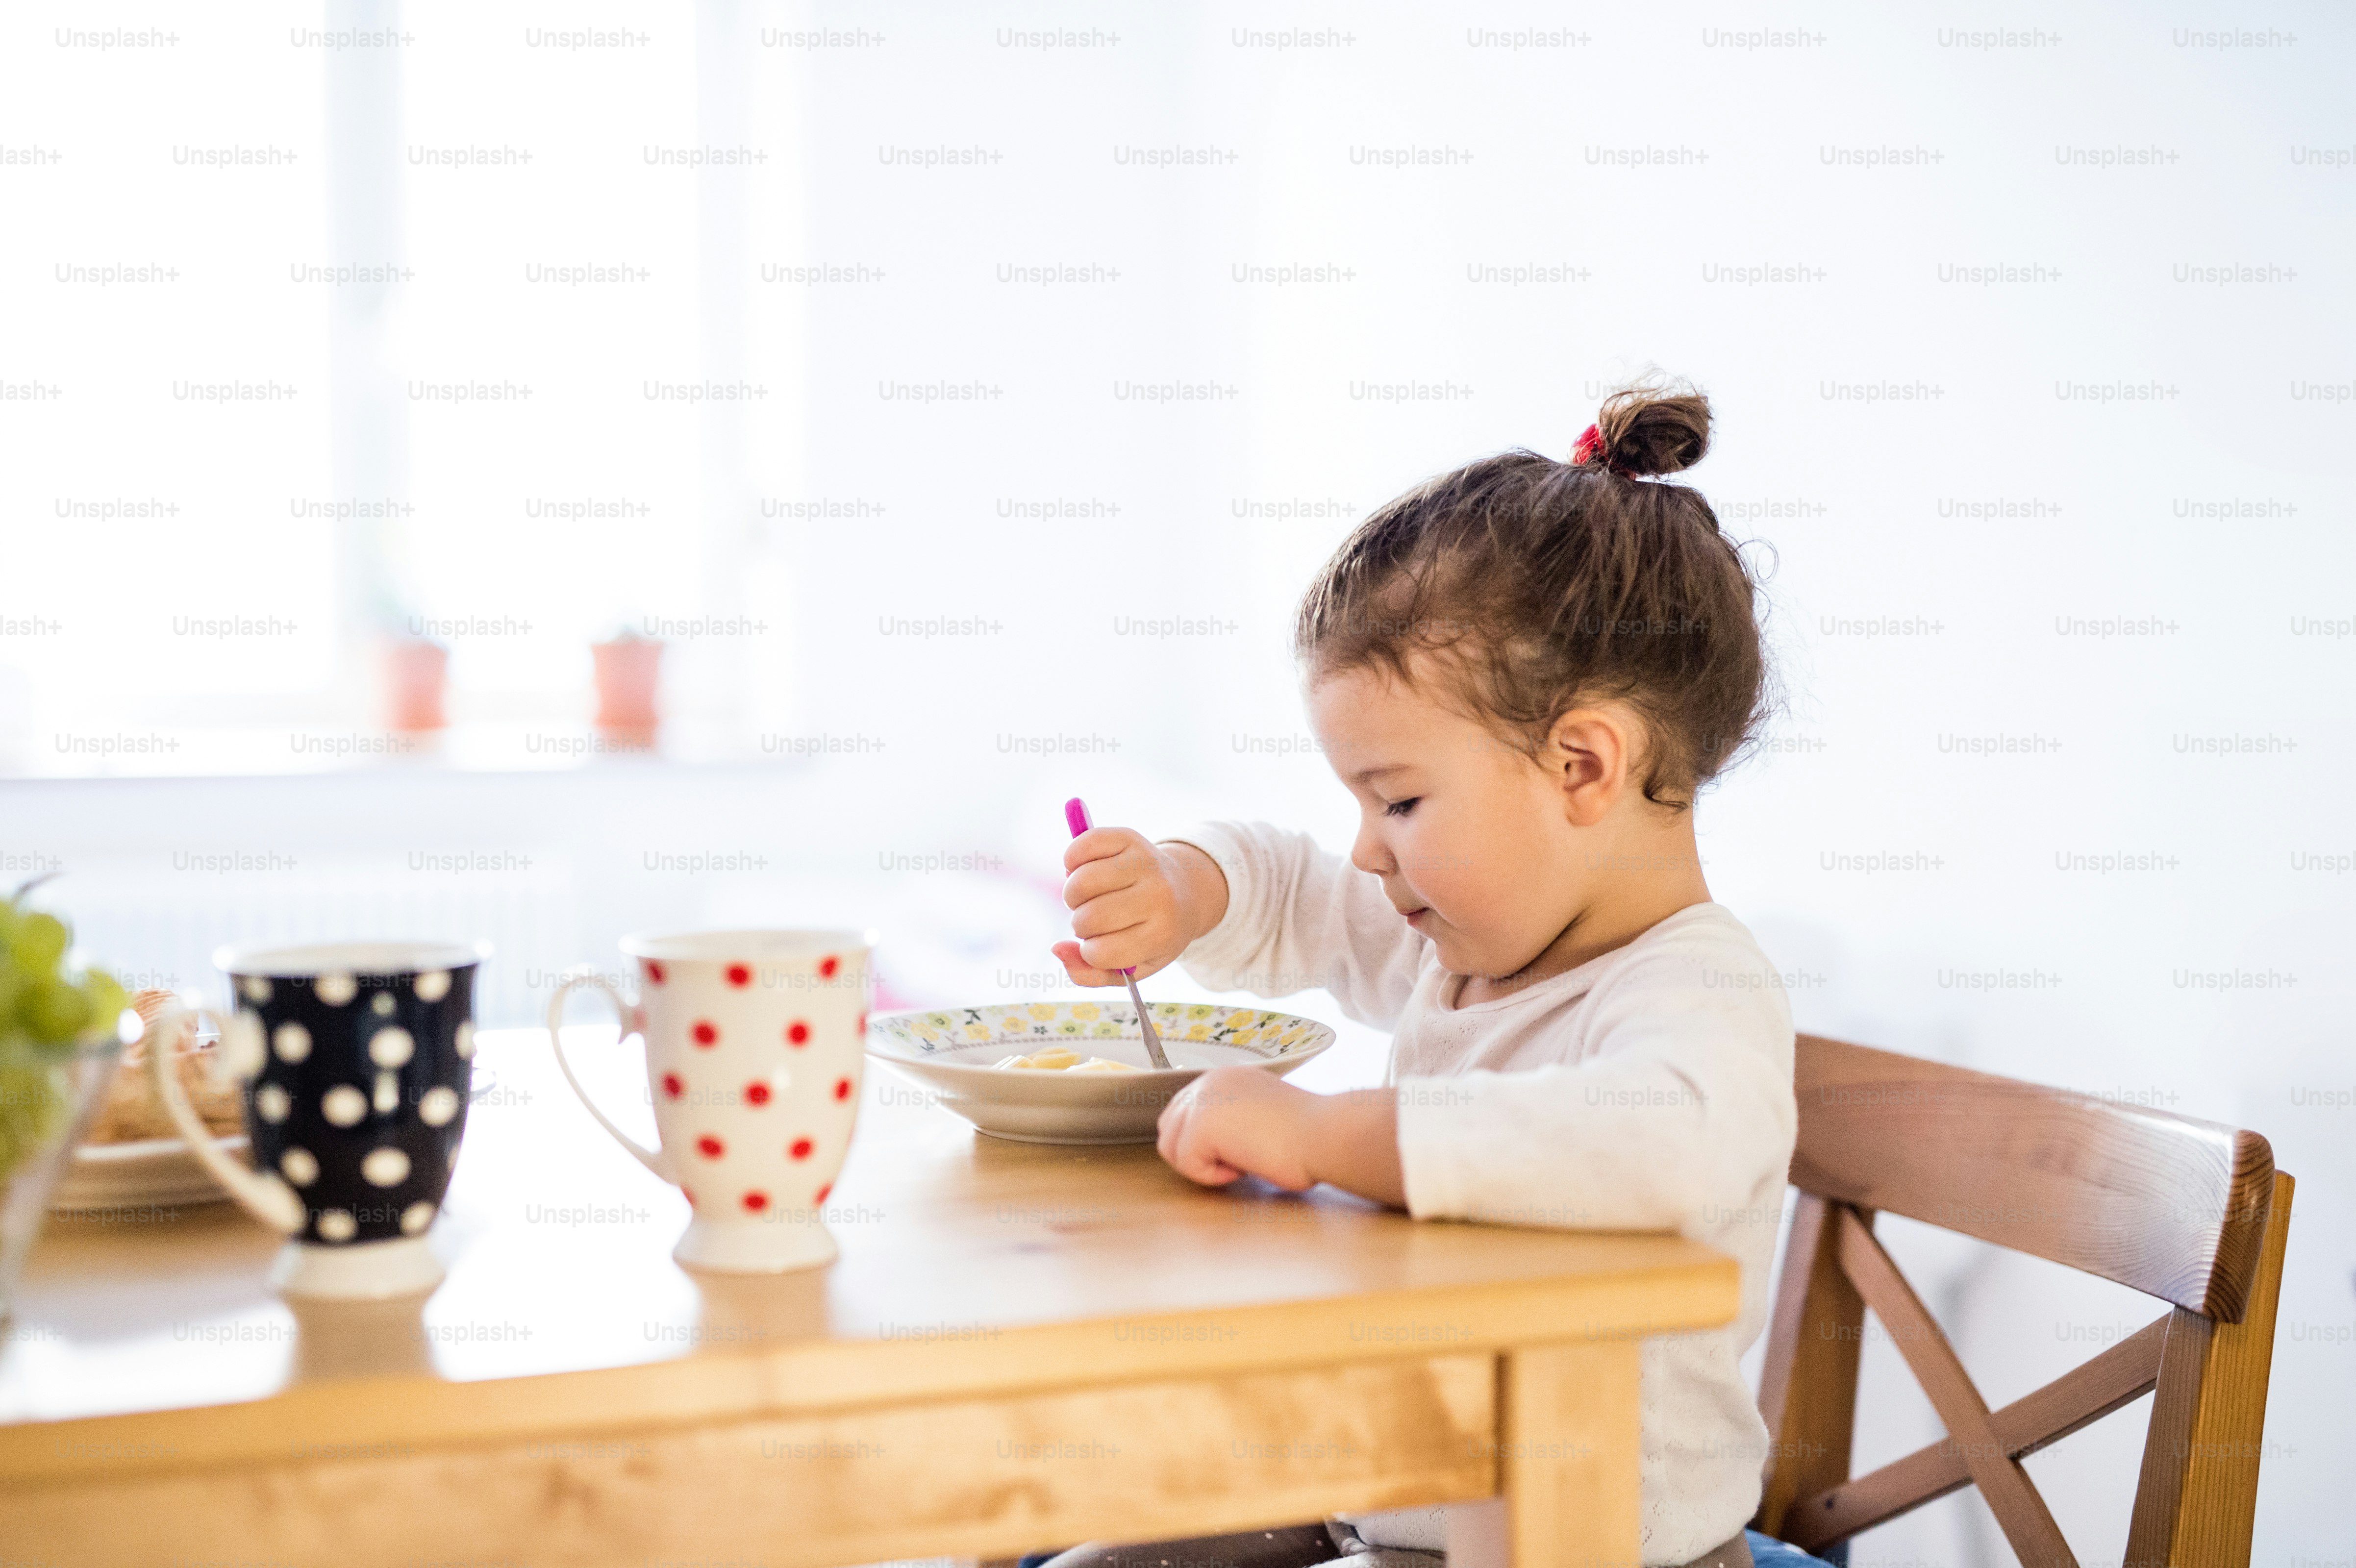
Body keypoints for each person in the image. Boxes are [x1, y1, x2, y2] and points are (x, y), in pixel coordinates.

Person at [1047, 382, 1804, 1568]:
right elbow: (1296, 889)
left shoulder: (1697, 994)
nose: (1367, 847)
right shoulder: (1465, 938)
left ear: (1582, 764)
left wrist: (1332, 1134)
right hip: (1406, 1504)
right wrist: (1186, 888)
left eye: (1398, 800)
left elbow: (1660, 1144)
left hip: (1598, 1541)